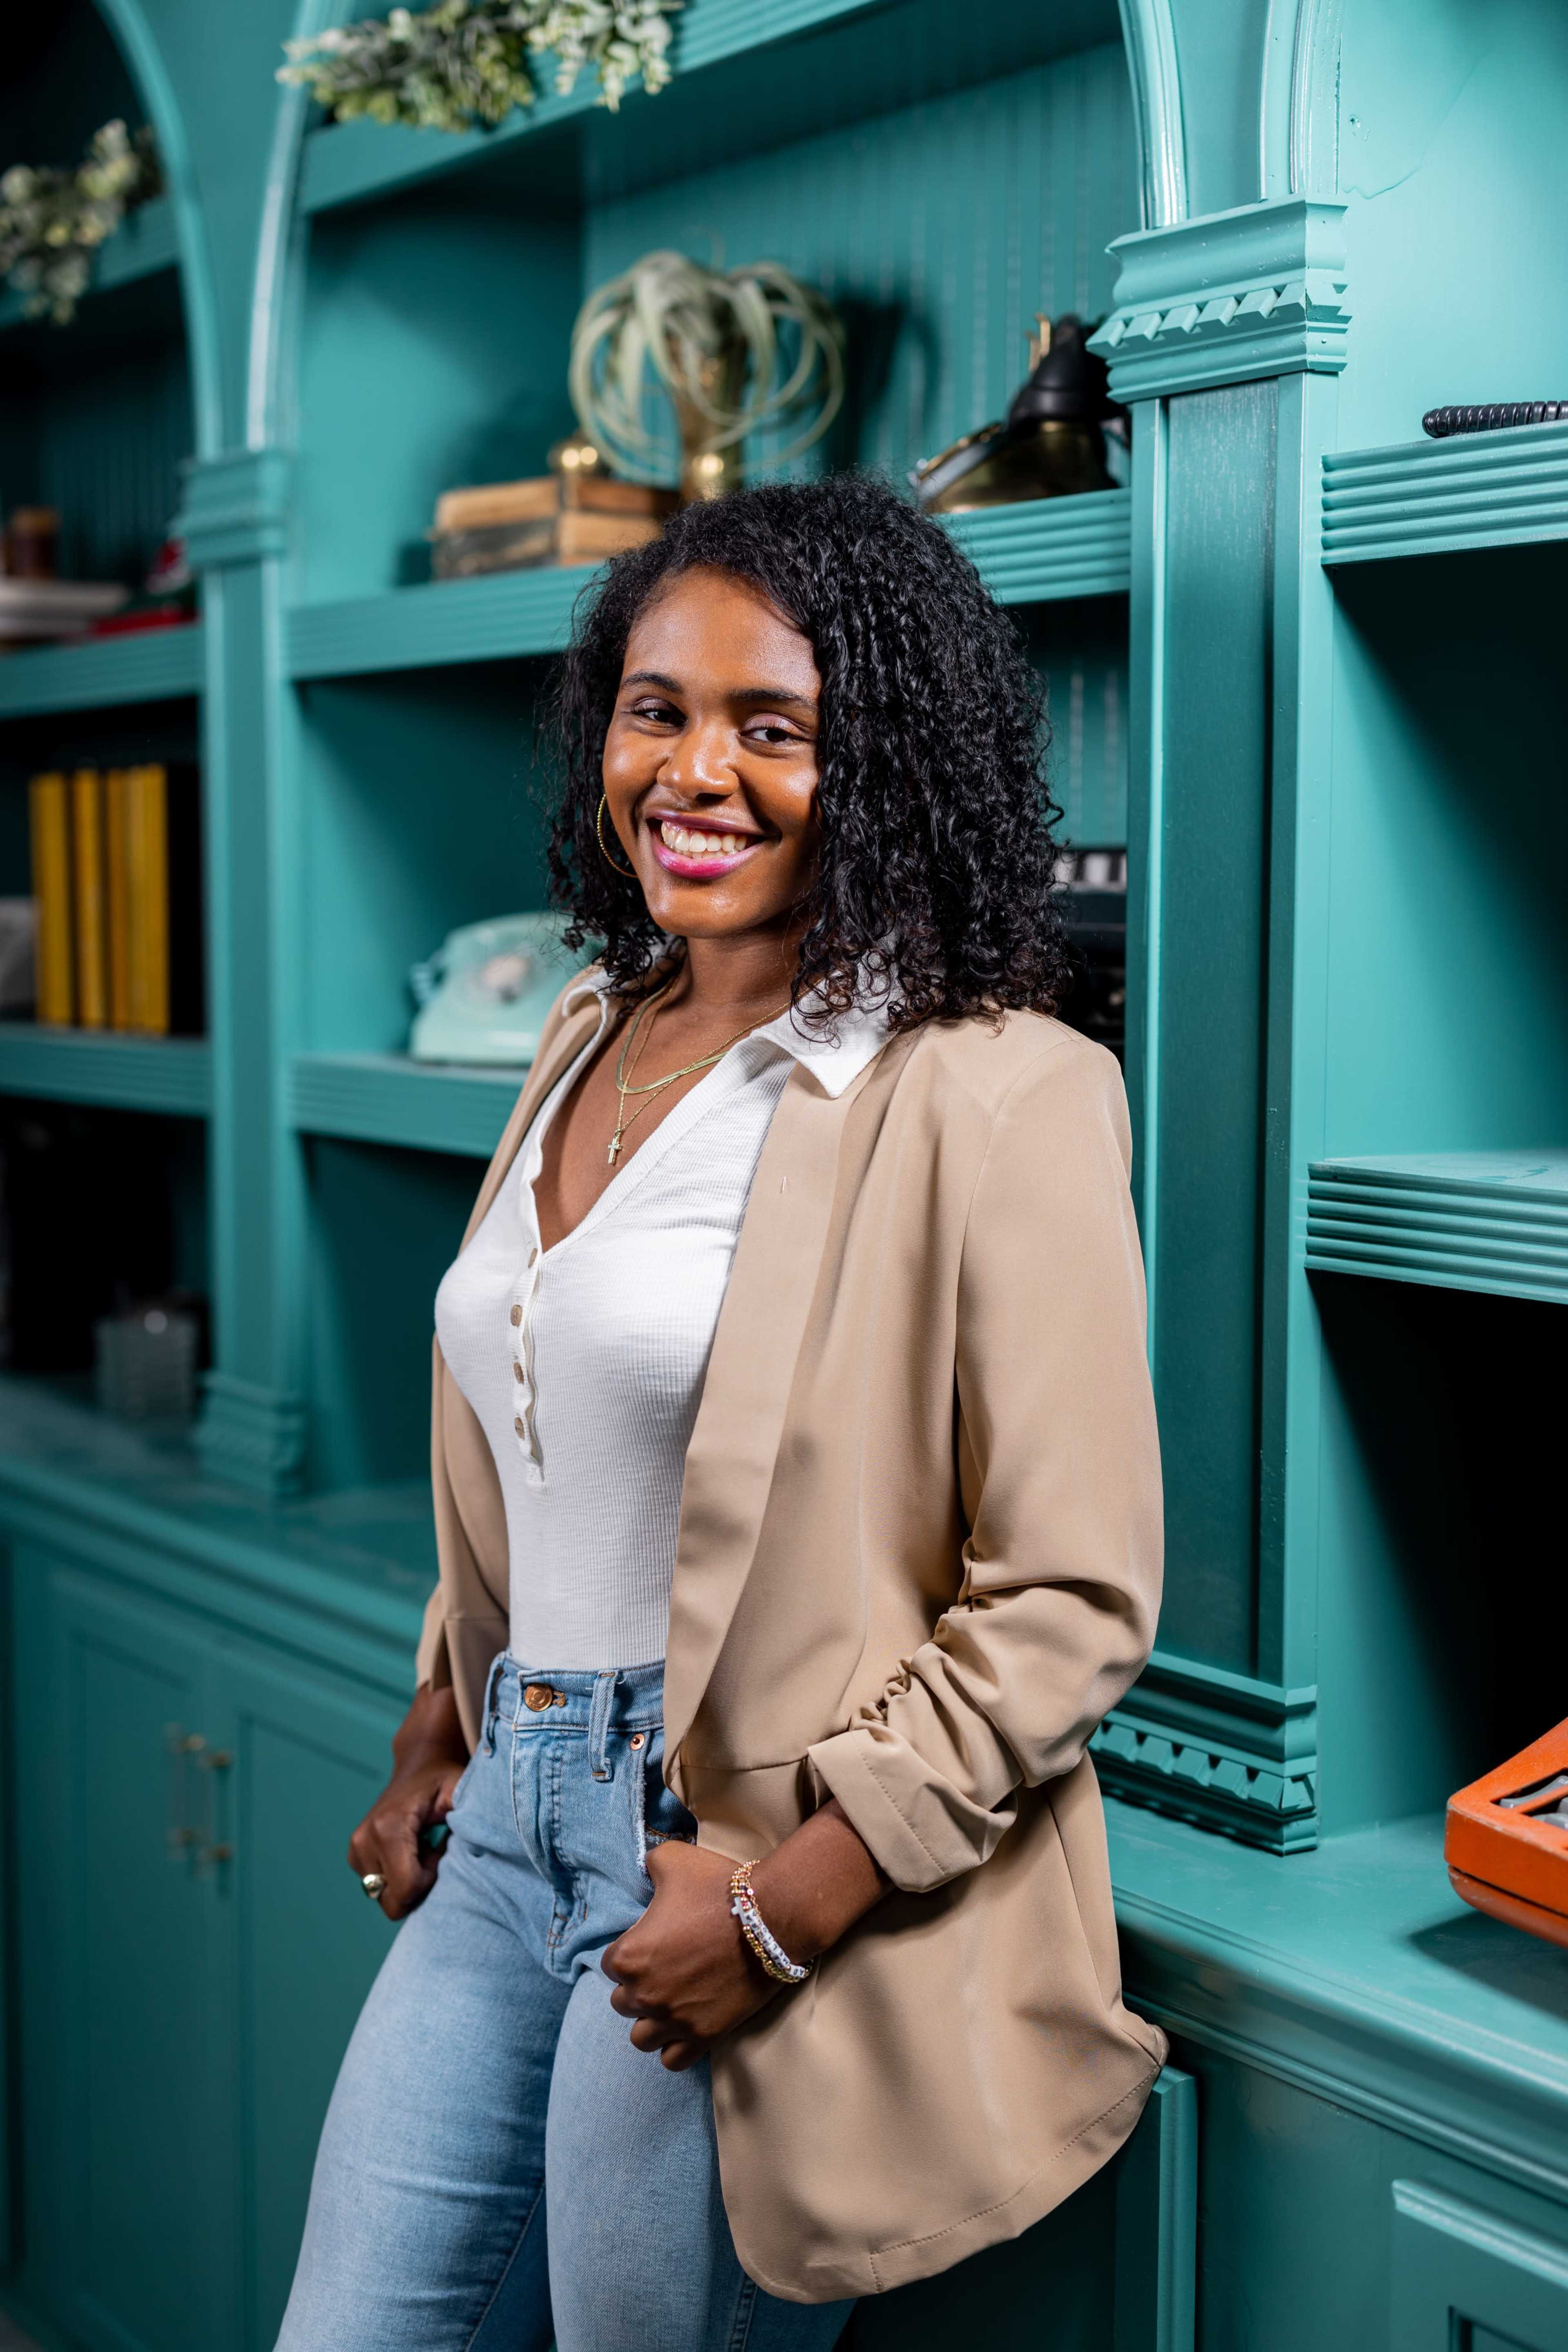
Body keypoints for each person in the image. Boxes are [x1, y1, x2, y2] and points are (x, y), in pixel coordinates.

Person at [277, 475, 1165, 2352]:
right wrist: (444, 1711)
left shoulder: (998, 1089)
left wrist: (785, 1905)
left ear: (893, 762)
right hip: (508, 1820)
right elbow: (552, 1424)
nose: (695, 772)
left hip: (731, 1852)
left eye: (777, 728)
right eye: (657, 708)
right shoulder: (590, 1023)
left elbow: (1073, 1593)